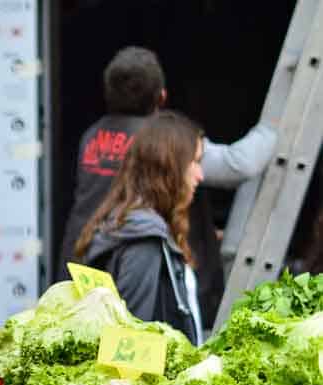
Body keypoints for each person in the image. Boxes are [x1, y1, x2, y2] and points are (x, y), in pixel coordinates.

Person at [56, 46, 276, 321]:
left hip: (84, 268)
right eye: (194, 163)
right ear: (162, 97)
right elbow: (240, 163)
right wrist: (275, 127)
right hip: (130, 273)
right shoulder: (164, 144)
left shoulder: (91, 136)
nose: (199, 174)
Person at [74, 110, 205, 344]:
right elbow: (130, 338)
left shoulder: (129, 224)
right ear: (170, 168)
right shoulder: (144, 239)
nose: (200, 175)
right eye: (194, 162)